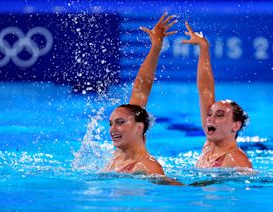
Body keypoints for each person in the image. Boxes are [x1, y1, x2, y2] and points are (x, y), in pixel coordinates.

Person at [102, 13, 177, 175]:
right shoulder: (120, 156)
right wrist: (155, 47)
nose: (112, 129)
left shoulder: (147, 167)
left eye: (120, 122)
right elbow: (140, 89)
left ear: (138, 128)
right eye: (111, 123)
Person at [182, 22, 252, 169]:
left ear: (236, 125)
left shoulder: (236, 160)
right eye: (209, 114)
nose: (210, 119)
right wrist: (204, 48)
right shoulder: (209, 147)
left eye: (220, 115)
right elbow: (205, 90)